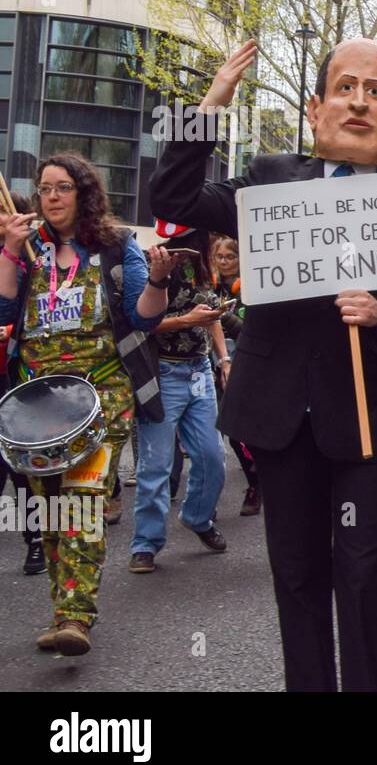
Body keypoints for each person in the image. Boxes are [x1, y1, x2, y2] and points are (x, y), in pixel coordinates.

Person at [148, 37, 377, 691]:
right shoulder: (269, 180)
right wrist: (211, 103)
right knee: (298, 575)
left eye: (376, 91)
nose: (360, 102)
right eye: (346, 87)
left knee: (366, 575)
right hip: (281, 418)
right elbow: (172, 203)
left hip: (369, 425)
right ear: (316, 109)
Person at [0, 152, 174, 655]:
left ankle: (75, 618)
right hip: (36, 401)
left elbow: (143, 317)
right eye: (44, 188)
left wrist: (160, 281)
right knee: (49, 510)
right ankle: (62, 607)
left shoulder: (118, 245)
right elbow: (6, 307)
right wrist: (10, 250)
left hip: (101, 392)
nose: (51, 197)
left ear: (84, 193)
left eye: (62, 187)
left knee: (81, 501)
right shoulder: (28, 247)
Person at [128, 223, 231, 573]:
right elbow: (143, 322)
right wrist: (188, 318)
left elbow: (212, 316)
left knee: (213, 456)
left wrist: (224, 358)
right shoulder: (154, 263)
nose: (218, 240)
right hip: (164, 374)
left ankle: (198, 518)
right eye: (214, 234)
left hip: (199, 371)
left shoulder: (205, 265)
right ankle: (145, 544)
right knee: (156, 466)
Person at [0, 192, 47, 576]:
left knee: (20, 467)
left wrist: (12, 329)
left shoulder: (36, 257)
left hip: (14, 372)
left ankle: (36, 539)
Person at [210, 234, 260, 516]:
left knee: (242, 433)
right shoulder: (211, 286)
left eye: (230, 257)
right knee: (223, 431)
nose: (225, 262)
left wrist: (222, 317)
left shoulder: (249, 288)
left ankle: (256, 484)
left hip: (247, 365)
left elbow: (249, 331)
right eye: (220, 257)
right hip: (215, 365)